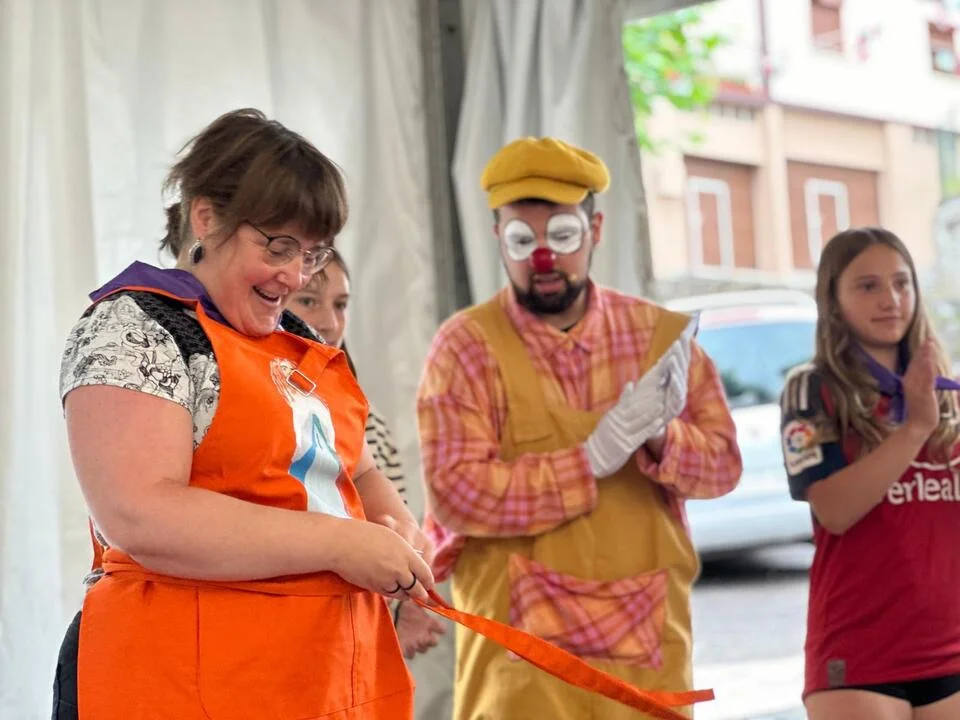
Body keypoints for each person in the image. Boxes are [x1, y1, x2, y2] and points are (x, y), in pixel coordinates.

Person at [53, 108, 434, 720]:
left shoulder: (299, 337)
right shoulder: (137, 329)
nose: (295, 275)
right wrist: (341, 542)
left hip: (320, 677)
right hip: (184, 682)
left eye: (312, 254)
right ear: (207, 217)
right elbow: (141, 513)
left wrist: (398, 528)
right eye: (278, 247)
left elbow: (356, 470)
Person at [415, 137, 743, 720]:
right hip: (518, 670)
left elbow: (723, 466)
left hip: (644, 662)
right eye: (523, 240)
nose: (543, 258)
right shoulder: (465, 347)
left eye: (563, 235)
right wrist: (587, 462)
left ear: (595, 229)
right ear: (498, 238)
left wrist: (662, 439)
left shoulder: (660, 340)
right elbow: (456, 492)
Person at [779, 227, 960, 720]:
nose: (891, 299)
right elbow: (833, 510)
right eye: (868, 286)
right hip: (858, 652)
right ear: (833, 302)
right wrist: (916, 428)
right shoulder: (810, 388)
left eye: (902, 283)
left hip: (949, 647)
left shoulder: (947, 391)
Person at [289, 252, 448, 659]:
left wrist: (400, 605)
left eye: (341, 304)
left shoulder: (362, 415)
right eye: (308, 300)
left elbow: (390, 527)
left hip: (350, 636)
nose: (329, 322)